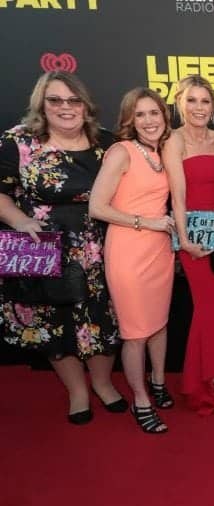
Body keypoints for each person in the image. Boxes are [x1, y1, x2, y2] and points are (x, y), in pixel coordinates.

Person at [0, 71, 124, 424]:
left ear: (86, 106)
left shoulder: (107, 143)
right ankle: (77, 391)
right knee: (54, 324)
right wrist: (19, 221)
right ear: (42, 104)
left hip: (101, 248)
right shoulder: (18, 142)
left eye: (74, 100)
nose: (65, 107)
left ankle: (102, 383)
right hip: (45, 248)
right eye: (55, 100)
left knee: (105, 320)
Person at [89, 88, 175, 433]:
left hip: (159, 252)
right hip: (128, 251)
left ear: (164, 117)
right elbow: (97, 206)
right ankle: (141, 399)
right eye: (140, 114)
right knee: (135, 332)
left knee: (159, 324)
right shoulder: (121, 152)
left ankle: (157, 381)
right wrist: (148, 222)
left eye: (154, 113)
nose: (149, 120)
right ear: (129, 120)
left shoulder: (163, 152)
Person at [163, 75, 214, 415]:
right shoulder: (173, 141)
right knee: (209, 308)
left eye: (205, 101)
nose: (198, 108)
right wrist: (186, 242)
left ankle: (196, 378)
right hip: (192, 238)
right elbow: (177, 198)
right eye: (191, 101)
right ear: (180, 104)